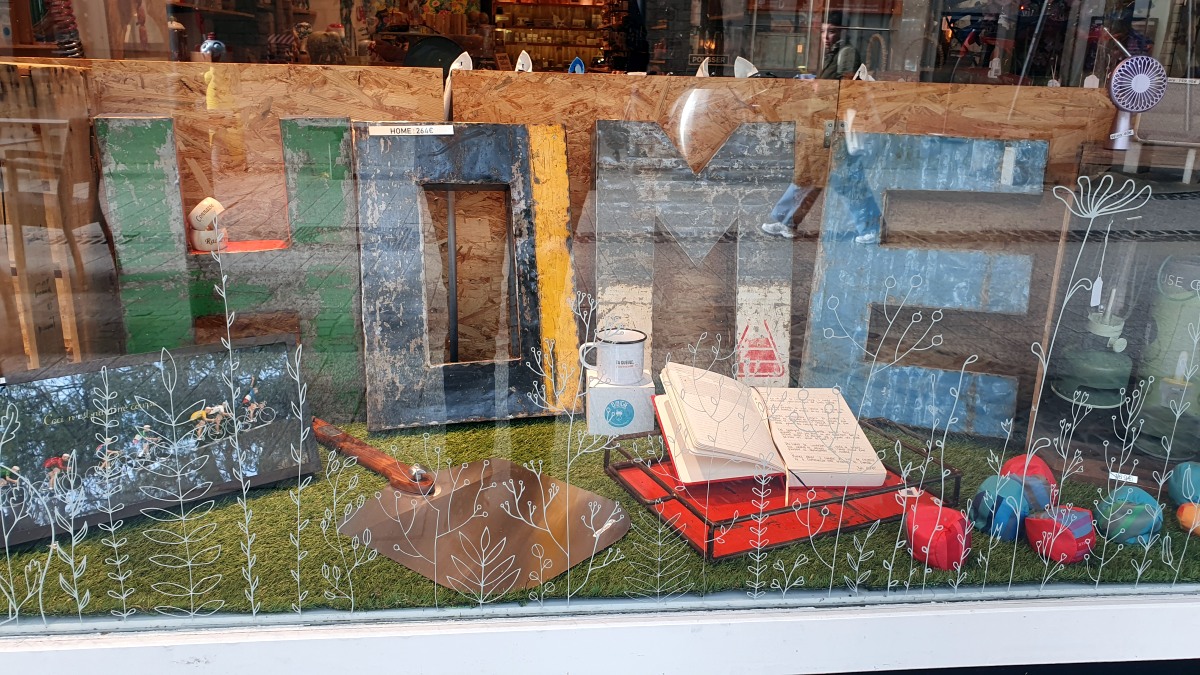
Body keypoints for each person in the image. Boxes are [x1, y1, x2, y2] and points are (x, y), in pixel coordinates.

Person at [818, 12, 861, 80]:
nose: (825, 36)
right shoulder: (833, 52)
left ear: (842, 32)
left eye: (831, 31)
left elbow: (846, 83)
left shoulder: (847, 52)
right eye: (822, 31)